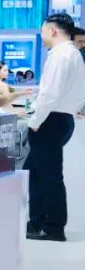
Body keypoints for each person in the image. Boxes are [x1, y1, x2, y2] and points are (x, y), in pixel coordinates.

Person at [25, 13, 85, 242]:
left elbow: (50, 93)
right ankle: (37, 222)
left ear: (52, 31)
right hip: (61, 119)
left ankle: (53, 227)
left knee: (48, 176)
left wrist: (35, 121)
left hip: (49, 120)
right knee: (36, 173)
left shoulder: (61, 55)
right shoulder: (74, 54)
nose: (41, 36)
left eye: (42, 31)